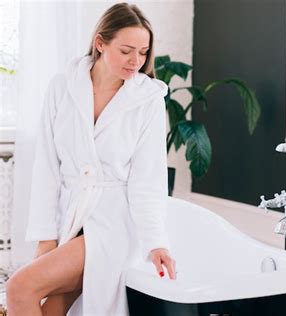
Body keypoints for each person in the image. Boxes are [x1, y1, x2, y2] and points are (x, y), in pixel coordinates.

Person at [6, 3, 176, 315]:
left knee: (18, 287)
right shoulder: (63, 87)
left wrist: (156, 243)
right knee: (50, 308)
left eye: (142, 52)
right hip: (71, 216)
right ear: (100, 43)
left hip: (115, 224)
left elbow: (148, 180)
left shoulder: (147, 100)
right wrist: (47, 236)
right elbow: (46, 167)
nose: (136, 61)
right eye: (126, 50)